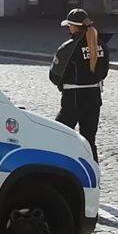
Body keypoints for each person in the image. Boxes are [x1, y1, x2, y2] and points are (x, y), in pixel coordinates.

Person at [49, 9, 110, 162]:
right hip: (94, 98)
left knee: (57, 135)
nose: (68, 29)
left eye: (69, 26)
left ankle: (59, 169)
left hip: (73, 100)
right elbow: (104, 73)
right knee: (89, 140)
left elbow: (54, 76)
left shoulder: (68, 47)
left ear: (74, 27)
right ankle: (94, 175)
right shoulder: (101, 45)